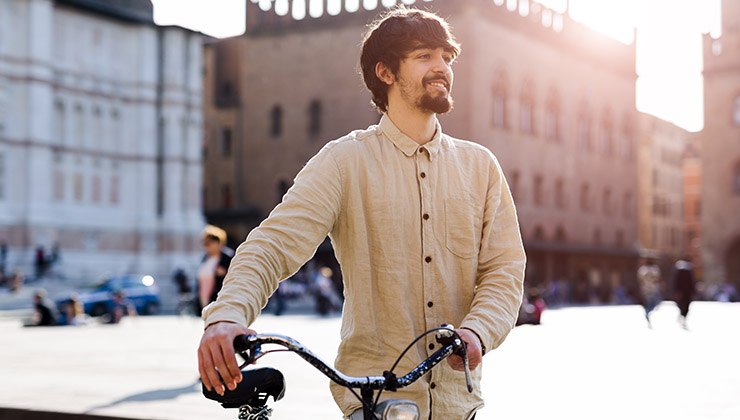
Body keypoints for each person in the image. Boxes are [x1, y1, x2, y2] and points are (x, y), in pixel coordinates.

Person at [197, 6, 525, 419]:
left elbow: (505, 269)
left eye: (446, 56)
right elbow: (272, 245)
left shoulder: (481, 167)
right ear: (386, 72)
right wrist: (226, 317)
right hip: (374, 398)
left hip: (459, 404)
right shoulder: (344, 161)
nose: (442, 67)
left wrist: (477, 330)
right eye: (425, 56)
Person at [196, 225, 233, 316]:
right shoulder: (205, 258)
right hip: (204, 297)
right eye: (204, 244)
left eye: (208, 243)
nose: (206, 247)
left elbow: (235, 275)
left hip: (220, 299)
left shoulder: (227, 257)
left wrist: (224, 273)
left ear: (217, 243)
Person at [637, 257, 662, 327]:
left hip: (645, 289)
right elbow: (657, 279)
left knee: (647, 303)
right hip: (653, 289)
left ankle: (647, 311)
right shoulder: (655, 269)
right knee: (654, 304)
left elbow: (640, 281)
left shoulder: (642, 270)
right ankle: (648, 312)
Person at [673, 257, 696, 329]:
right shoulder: (688, 270)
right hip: (686, 291)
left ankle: (682, 315)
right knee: (685, 305)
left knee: (682, 304)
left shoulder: (679, 270)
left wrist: (676, 290)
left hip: (682, 291)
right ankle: (683, 316)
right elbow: (692, 281)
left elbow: (676, 282)